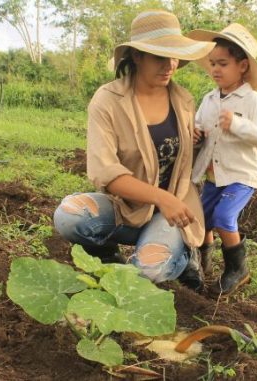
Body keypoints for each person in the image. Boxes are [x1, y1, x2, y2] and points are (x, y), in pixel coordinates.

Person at [53, 10, 215, 292]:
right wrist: (160, 197)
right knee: (69, 216)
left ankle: (182, 253)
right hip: (127, 207)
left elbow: (179, 157)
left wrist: (197, 142)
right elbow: (107, 173)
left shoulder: (184, 101)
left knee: (149, 269)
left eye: (174, 56)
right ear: (137, 56)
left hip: (173, 211)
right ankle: (107, 257)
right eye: (160, 57)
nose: (170, 65)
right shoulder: (108, 101)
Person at [187, 24, 257, 294]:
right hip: (214, 175)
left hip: (240, 175)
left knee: (224, 216)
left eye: (222, 63)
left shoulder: (252, 101)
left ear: (242, 66)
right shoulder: (209, 99)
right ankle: (204, 261)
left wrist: (236, 123)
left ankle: (237, 268)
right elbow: (200, 126)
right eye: (212, 63)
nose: (215, 69)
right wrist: (196, 135)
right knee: (203, 221)